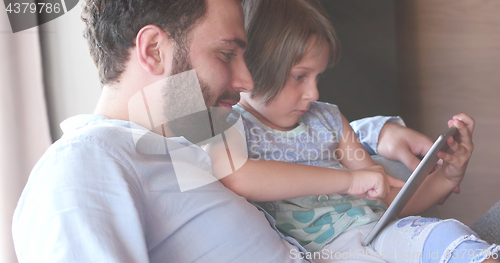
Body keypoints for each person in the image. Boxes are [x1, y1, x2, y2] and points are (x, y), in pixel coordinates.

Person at [10, 0, 491, 262]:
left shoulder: (182, 131)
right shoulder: (83, 165)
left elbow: (283, 130)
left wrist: (377, 131)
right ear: (154, 51)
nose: (245, 83)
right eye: (226, 54)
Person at [205, 0, 500, 262]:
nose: (313, 92)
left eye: (317, 76)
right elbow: (242, 177)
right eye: (299, 77)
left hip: (379, 232)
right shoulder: (233, 123)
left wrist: (448, 176)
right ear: (254, 67)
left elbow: (390, 198)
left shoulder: (328, 119)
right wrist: (348, 181)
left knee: (447, 235)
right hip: (330, 253)